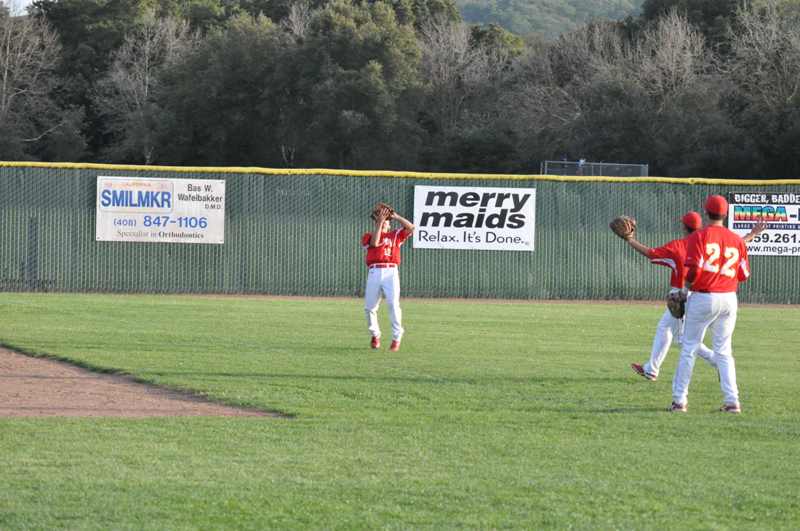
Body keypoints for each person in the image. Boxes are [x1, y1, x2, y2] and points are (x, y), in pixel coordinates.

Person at [622, 213, 765, 382]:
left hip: (683, 294)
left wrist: (630, 240)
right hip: (705, 293)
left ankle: (717, 361)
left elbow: (651, 253)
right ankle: (651, 369)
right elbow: (737, 243)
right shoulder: (707, 241)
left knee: (683, 339)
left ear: (684, 227)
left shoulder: (678, 247)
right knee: (666, 328)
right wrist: (752, 234)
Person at [670, 195, 752, 413]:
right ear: (725, 214)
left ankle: (679, 401)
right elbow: (744, 275)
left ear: (706, 212)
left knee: (689, 348)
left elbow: (694, 270)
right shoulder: (737, 240)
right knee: (724, 351)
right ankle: (732, 401)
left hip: (704, 297)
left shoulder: (699, 236)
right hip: (729, 298)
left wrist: (684, 290)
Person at [361, 204, 415, 352]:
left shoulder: (396, 235)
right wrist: (380, 222)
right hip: (374, 272)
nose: (384, 221)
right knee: (370, 308)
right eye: (381, 219)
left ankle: (396, 337)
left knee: (393, 304)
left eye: (386, 220)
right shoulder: (368, 236)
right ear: (376, 222)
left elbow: (411, 228)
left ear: (390, 224)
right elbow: (375, 243)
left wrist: (396, 216)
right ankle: (375, 334)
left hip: (391, 272)